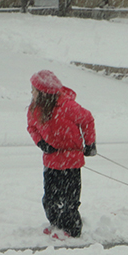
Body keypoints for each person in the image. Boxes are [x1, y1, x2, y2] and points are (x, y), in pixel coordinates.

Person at [27, 70, 96, 239]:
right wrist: (40, 142)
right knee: (50, 198)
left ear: (44, 93)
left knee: (69, 200)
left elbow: (87, 120)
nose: (31, 93)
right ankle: (56, 223)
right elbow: (32, 127)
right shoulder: (35, 108)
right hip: (51, 161)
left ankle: (72, 229)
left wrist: (90, 144)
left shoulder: (67, 106)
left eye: (34, 90)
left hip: (71, 161)